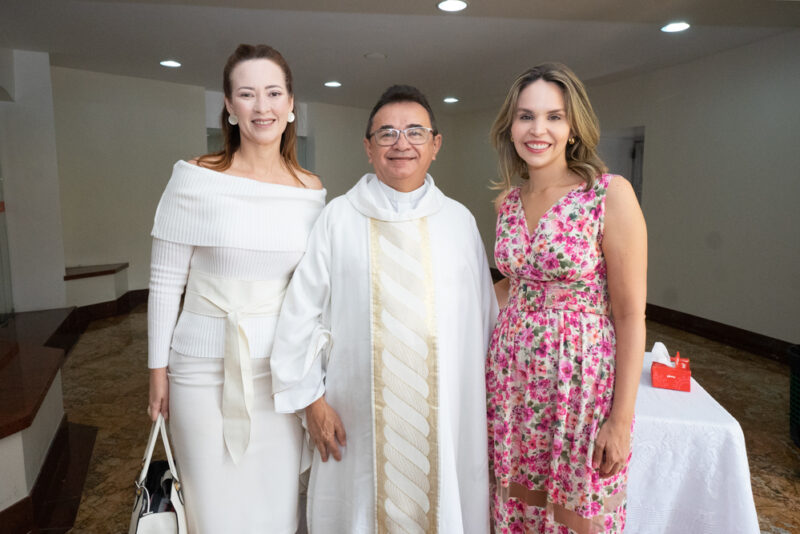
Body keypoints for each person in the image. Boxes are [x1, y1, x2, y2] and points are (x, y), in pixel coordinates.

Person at [269, 85, 498, 533]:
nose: (401, 143)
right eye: (387, 133)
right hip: (355, 418)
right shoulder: (338, 218)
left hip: (445, 415)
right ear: (368, 148)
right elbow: (300, 313)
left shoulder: (459, 222)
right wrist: (312, 401)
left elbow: (482, 322)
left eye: (415, 131)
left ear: (435, 145)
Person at [146, 44, 324, 533]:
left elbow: (314, 289)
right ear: (229, 105)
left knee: (277, 506)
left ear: (291, 106)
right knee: (214, 508)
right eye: (247, 94)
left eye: (273, 93)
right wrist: (157, 370)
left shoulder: (312, 192)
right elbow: (164, 281)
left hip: (279, 374)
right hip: (201, 371)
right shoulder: (195, 178)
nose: (261, 106)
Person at [486, 63, 647, 533]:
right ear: (510, 126)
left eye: (554, 117)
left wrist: (620, 420)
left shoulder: (608, 195)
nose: (539, 130)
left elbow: (630, 313)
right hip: (511, 383)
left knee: (580, 517)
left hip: (579, 384)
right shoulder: (506, 203)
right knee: (518, 509)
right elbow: (515, 283)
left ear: (573, 126)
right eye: (526, 117)